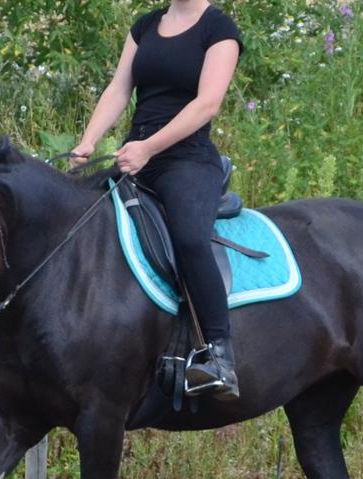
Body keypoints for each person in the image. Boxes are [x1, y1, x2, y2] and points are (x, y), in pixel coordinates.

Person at [70, 0, 243, 401]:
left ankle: (219, 354)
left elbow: (207, 103)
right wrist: (89, 140)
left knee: (188, 238)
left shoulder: (219, 29)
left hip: (187, 160)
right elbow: (119, 88)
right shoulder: (146, 25)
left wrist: (149, 147)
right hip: (136, 158)